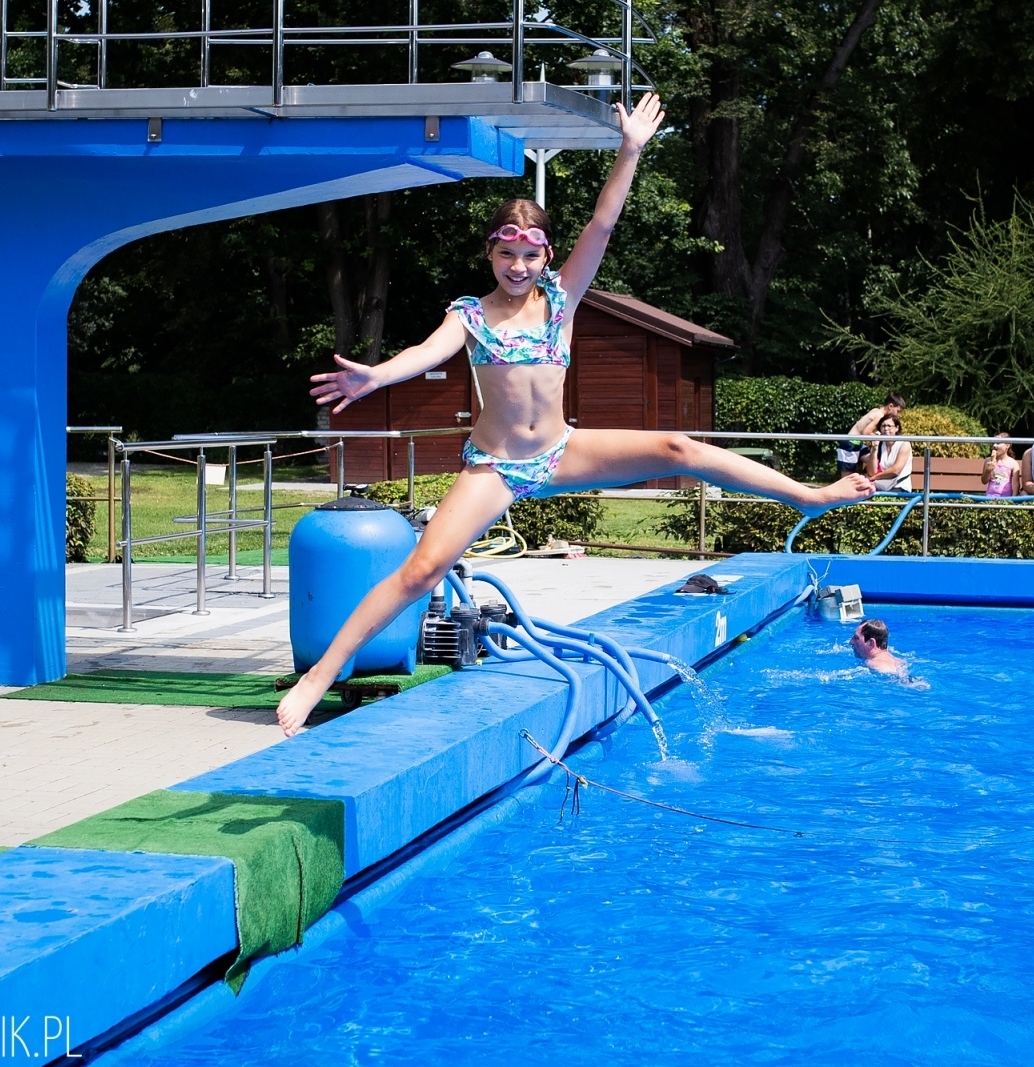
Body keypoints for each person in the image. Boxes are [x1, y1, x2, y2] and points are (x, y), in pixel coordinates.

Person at [276, 93, 875, 735]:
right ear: (491, 255)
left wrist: (631, 149)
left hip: (561, 449)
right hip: (497, 468)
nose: (519, 266)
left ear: (544, 257)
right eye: (507, 255)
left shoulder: (561, 300)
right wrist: (375, 376)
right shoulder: (470, 316)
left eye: (531, 255)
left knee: (678, 447)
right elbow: (426, 353)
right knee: (423, 568)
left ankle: (806, 497)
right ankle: (320, 675)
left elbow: (603, 223)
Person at [838, 392, 906, 474]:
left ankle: (868, 475)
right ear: (890, 406)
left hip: (857, 443)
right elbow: (866, 432)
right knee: (847, 476)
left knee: (874, 458)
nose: (898, 415)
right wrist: (879, 438)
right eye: (898, 411)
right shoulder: (880, 416)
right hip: (850, 444)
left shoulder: (876, 410)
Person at [866, 413, 912, 492]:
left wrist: (876, 477)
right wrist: (874, 448)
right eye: (883, 426)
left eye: (889, 426)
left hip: (899, 486)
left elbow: (895, 471)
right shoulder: (879, 444)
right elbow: (871, 472)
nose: (886, 429)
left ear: (896, 428)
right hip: (880, 485)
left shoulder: (904, 444)